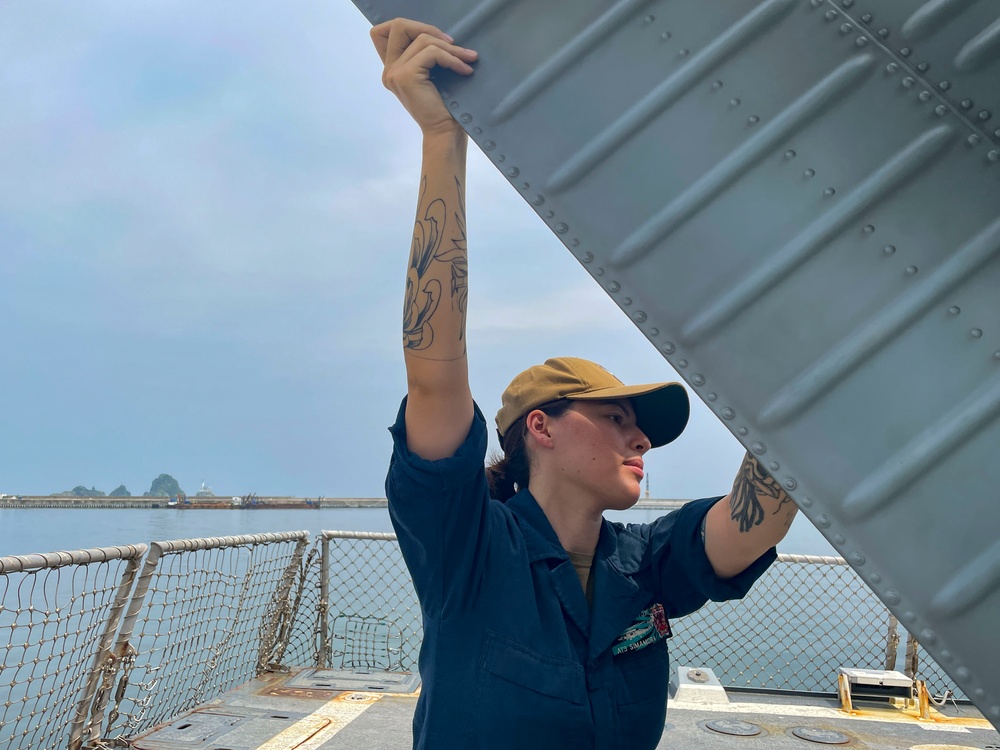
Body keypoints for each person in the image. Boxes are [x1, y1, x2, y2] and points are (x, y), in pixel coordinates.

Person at [372, 17, 798, 749]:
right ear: (540, 425)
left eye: (640, 427)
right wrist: (443, 138)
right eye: (616, 419)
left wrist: (801, 336)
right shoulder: (466, 549)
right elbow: (433, 369)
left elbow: (753, 520)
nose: (640, 439)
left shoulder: (647, 565)